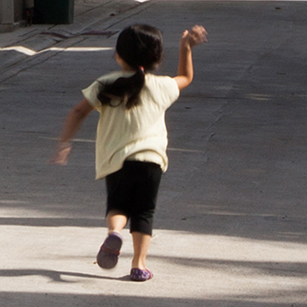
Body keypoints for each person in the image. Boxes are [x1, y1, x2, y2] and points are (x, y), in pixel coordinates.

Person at [54, 20, 205, 280]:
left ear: (118, 54)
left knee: (118, 206)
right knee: (144, 212)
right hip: (151, 160)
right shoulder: (161, 85)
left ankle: (114, 233)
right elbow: (186, 77)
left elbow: (78, 112)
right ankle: (139, 265)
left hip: (116, 161)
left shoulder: (106, 84)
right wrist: (186, 47)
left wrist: (64, 142)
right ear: (156, 58)